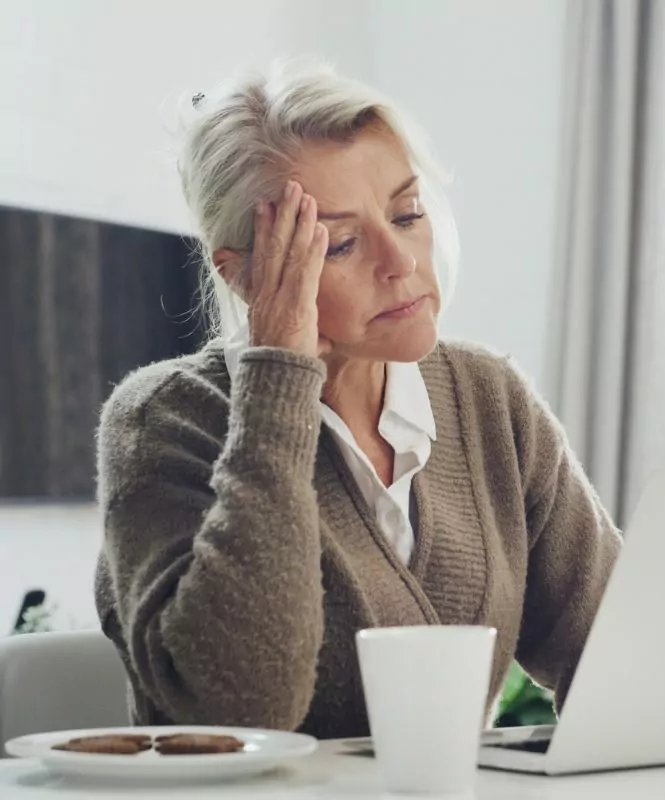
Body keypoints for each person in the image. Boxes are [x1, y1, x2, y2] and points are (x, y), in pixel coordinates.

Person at [93, 59, 622, 740]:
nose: (400, 261)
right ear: (247, 275)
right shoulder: (162, 421)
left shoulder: (489, 398)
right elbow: (240, 715)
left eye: (406, 213)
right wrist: (277, 378)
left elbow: (615, 650)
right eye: (339, 244)